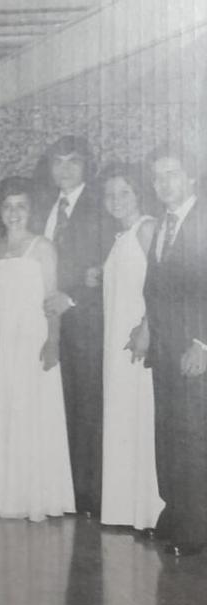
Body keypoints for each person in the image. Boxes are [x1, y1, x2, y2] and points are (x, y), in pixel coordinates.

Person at [0, 177, 75, 521]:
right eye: (7, 206)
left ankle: (30, 496)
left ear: (31, 210)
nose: (14, 212)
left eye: (21, 206)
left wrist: (53, 341)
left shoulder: (43, 247)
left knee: (29, 413)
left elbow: (52, 301)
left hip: (32, 339)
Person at [35, 135, 110, 517]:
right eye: (57, 162)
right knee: (56, 405)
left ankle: (87, 494)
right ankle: (59, 486)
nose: (64, 170)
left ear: (87, 166)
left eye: (73, 162)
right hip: (47, 322)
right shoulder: (43, 207)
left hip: (84, 323)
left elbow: (106, 267)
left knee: (85, 408)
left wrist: (74, 296)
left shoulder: (100, 207)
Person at [140, 144, 207, 556]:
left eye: (172, 174)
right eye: (157, 176)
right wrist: (147, 327)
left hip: (194, 350)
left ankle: (197, 527)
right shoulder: (165, 224)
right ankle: (176, 513)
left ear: (192, 178)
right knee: (168, 432)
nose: (163, 184)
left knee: (195, 436)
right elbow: (159, 288)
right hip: (164, 349)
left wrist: (203, 343)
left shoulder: (203, 221)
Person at [98, 163, 162, 531]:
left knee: (142, 419)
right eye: (110, 194)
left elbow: (161, 284)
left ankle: (150, 511)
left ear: (139, 193)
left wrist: (146, 329)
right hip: (116, 345)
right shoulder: (120, 236)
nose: (116, 200)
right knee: (124, 421)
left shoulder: (147, 228)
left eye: (124, 192)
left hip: (139, 342)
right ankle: (127, 510)